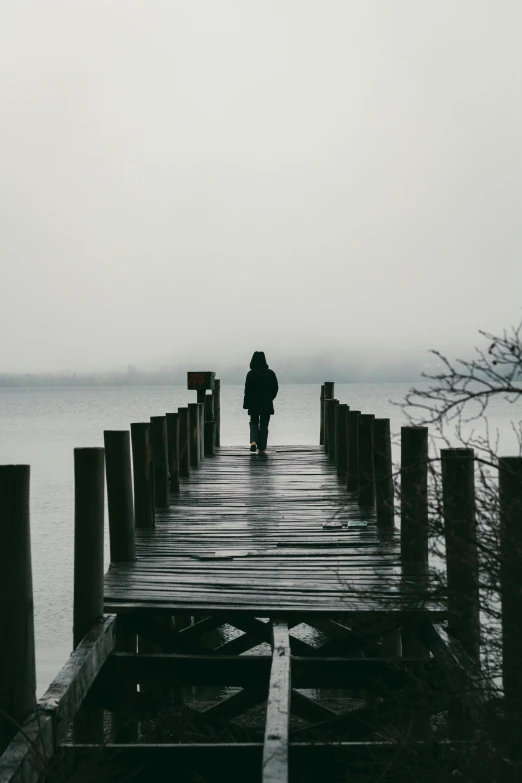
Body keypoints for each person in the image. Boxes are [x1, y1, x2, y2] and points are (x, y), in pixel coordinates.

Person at [243, 351, 279, 454]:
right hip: (266, 403)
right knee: (264, 424)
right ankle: (262, 447)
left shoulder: (250, 374)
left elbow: (247, 390)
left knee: (253, 422)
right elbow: (275, 388)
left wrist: (246, 404)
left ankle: (253, 441)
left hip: (253, 403)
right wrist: (270, 398)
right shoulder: (270, 373)